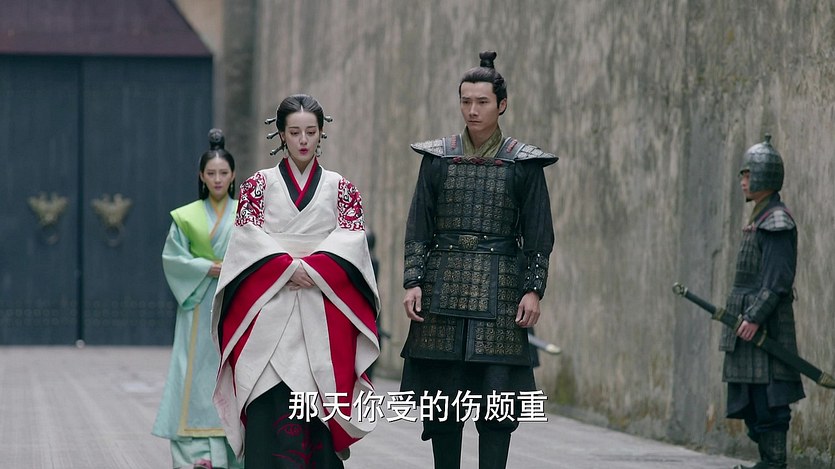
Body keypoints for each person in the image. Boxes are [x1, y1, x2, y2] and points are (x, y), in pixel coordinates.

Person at [400, 51, 557, 469]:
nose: (472, 110)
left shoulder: (523, 163)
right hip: (442, 286)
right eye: (466, 101)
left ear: (501, 104)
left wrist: (533, 290)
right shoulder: (438, 158)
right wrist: (413, 281)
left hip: (501, 289)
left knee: (496, 411)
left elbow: (539, 234)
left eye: (482, 102)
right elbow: (419, 224)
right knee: (443, 408)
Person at [211, 94, 380, 468]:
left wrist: (313, 270)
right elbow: (246, 241)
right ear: (281, 135)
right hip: (270, 309)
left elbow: (352, 242)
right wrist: (288, 268)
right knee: (267, 400)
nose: (303, 140)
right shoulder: (258, 186)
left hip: (321, 311)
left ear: (321, 134)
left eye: (311, 131)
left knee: (317, 403)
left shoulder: (341, 188)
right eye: (294, 132)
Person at [153, 129, 242, 469]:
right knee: (192, 371)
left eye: (223, 173)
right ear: (201, 177)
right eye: (211, 173)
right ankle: (198, 454)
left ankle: (232, 452)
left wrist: (230, 270)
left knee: (232, 371)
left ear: (233, 175)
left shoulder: (245, 215)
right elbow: (173, 258)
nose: (217, 179)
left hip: (233, 302)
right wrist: (207, 267)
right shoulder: (186, 216)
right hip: (198, 302)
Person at [724, 135, 804, 469]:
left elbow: (777, 280)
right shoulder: (759, 217)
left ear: (764, 176)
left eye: (748, 174)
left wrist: (755, 316)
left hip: (767, 327)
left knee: (770, 401)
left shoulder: (776, 221)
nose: (743, 181)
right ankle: (767, 462)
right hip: (748, 326)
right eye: (743, 174)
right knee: (752, 400)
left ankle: (773, 464)